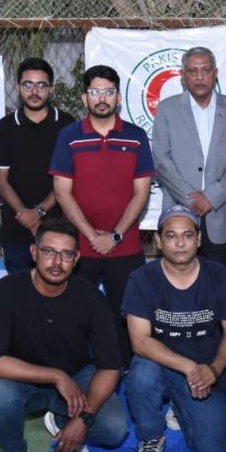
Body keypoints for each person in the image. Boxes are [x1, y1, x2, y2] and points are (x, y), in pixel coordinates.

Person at [0, 218, 128, 452]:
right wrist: (55, 376)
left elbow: (110, 367)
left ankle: (61, 421)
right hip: (23, 378)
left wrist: (83, 418)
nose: (56, 262)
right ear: (34, 253)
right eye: (48, 252)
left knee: (115, 429)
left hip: (76, 375)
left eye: (66, 254)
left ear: (76, 259)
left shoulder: (90, 298)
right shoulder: (7, 291)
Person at [122, 205, 226, 452]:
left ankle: (180, 406)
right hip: (158, 364)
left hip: (204, 370)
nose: (180, 243)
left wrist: (213, 369)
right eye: (171, 236)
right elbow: (140, 341)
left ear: (199, 240)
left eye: (188, 235)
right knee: (141, 374)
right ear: (158, 240)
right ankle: (151, 436)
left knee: (212, 450)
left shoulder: (221, 277)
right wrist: (188, 367)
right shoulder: (141, 280)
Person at [51, 65, 155, 363]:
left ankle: (124, 372)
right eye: (95, 92)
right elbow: (62, 193)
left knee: (126, 316)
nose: (102, 98)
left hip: (126, 246)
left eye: (108, 92)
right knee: (75, 314)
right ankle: (75, 372)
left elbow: (141, 193)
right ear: (84, 98)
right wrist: (91, 235)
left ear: (118, 98)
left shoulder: (136, 137)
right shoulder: (69, 137)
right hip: (80, 248)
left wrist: (115, 235)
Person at [151, 46, 226, 270]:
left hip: (221, 215)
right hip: (178, 214)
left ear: (215, 73)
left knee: (218, 289)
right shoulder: (167, 110)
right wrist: (191, 200)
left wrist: (211, 197)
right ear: (182, 75)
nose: (199, 77)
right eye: (193, 71)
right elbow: (161, 159)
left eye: (205, 70)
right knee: (175, 287)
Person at [0, 57, 76, 274]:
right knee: (20, 296)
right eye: (28, 85)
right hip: (16, 229)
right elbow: (0, 180)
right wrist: (27, 218)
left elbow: (68, 178)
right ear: (18, 87)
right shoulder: (6, 126)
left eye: (41, 85)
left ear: (51, 88)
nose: (35, 91)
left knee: (58, 296)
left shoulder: (68, 125)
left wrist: (38, 212)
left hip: (58, 228)